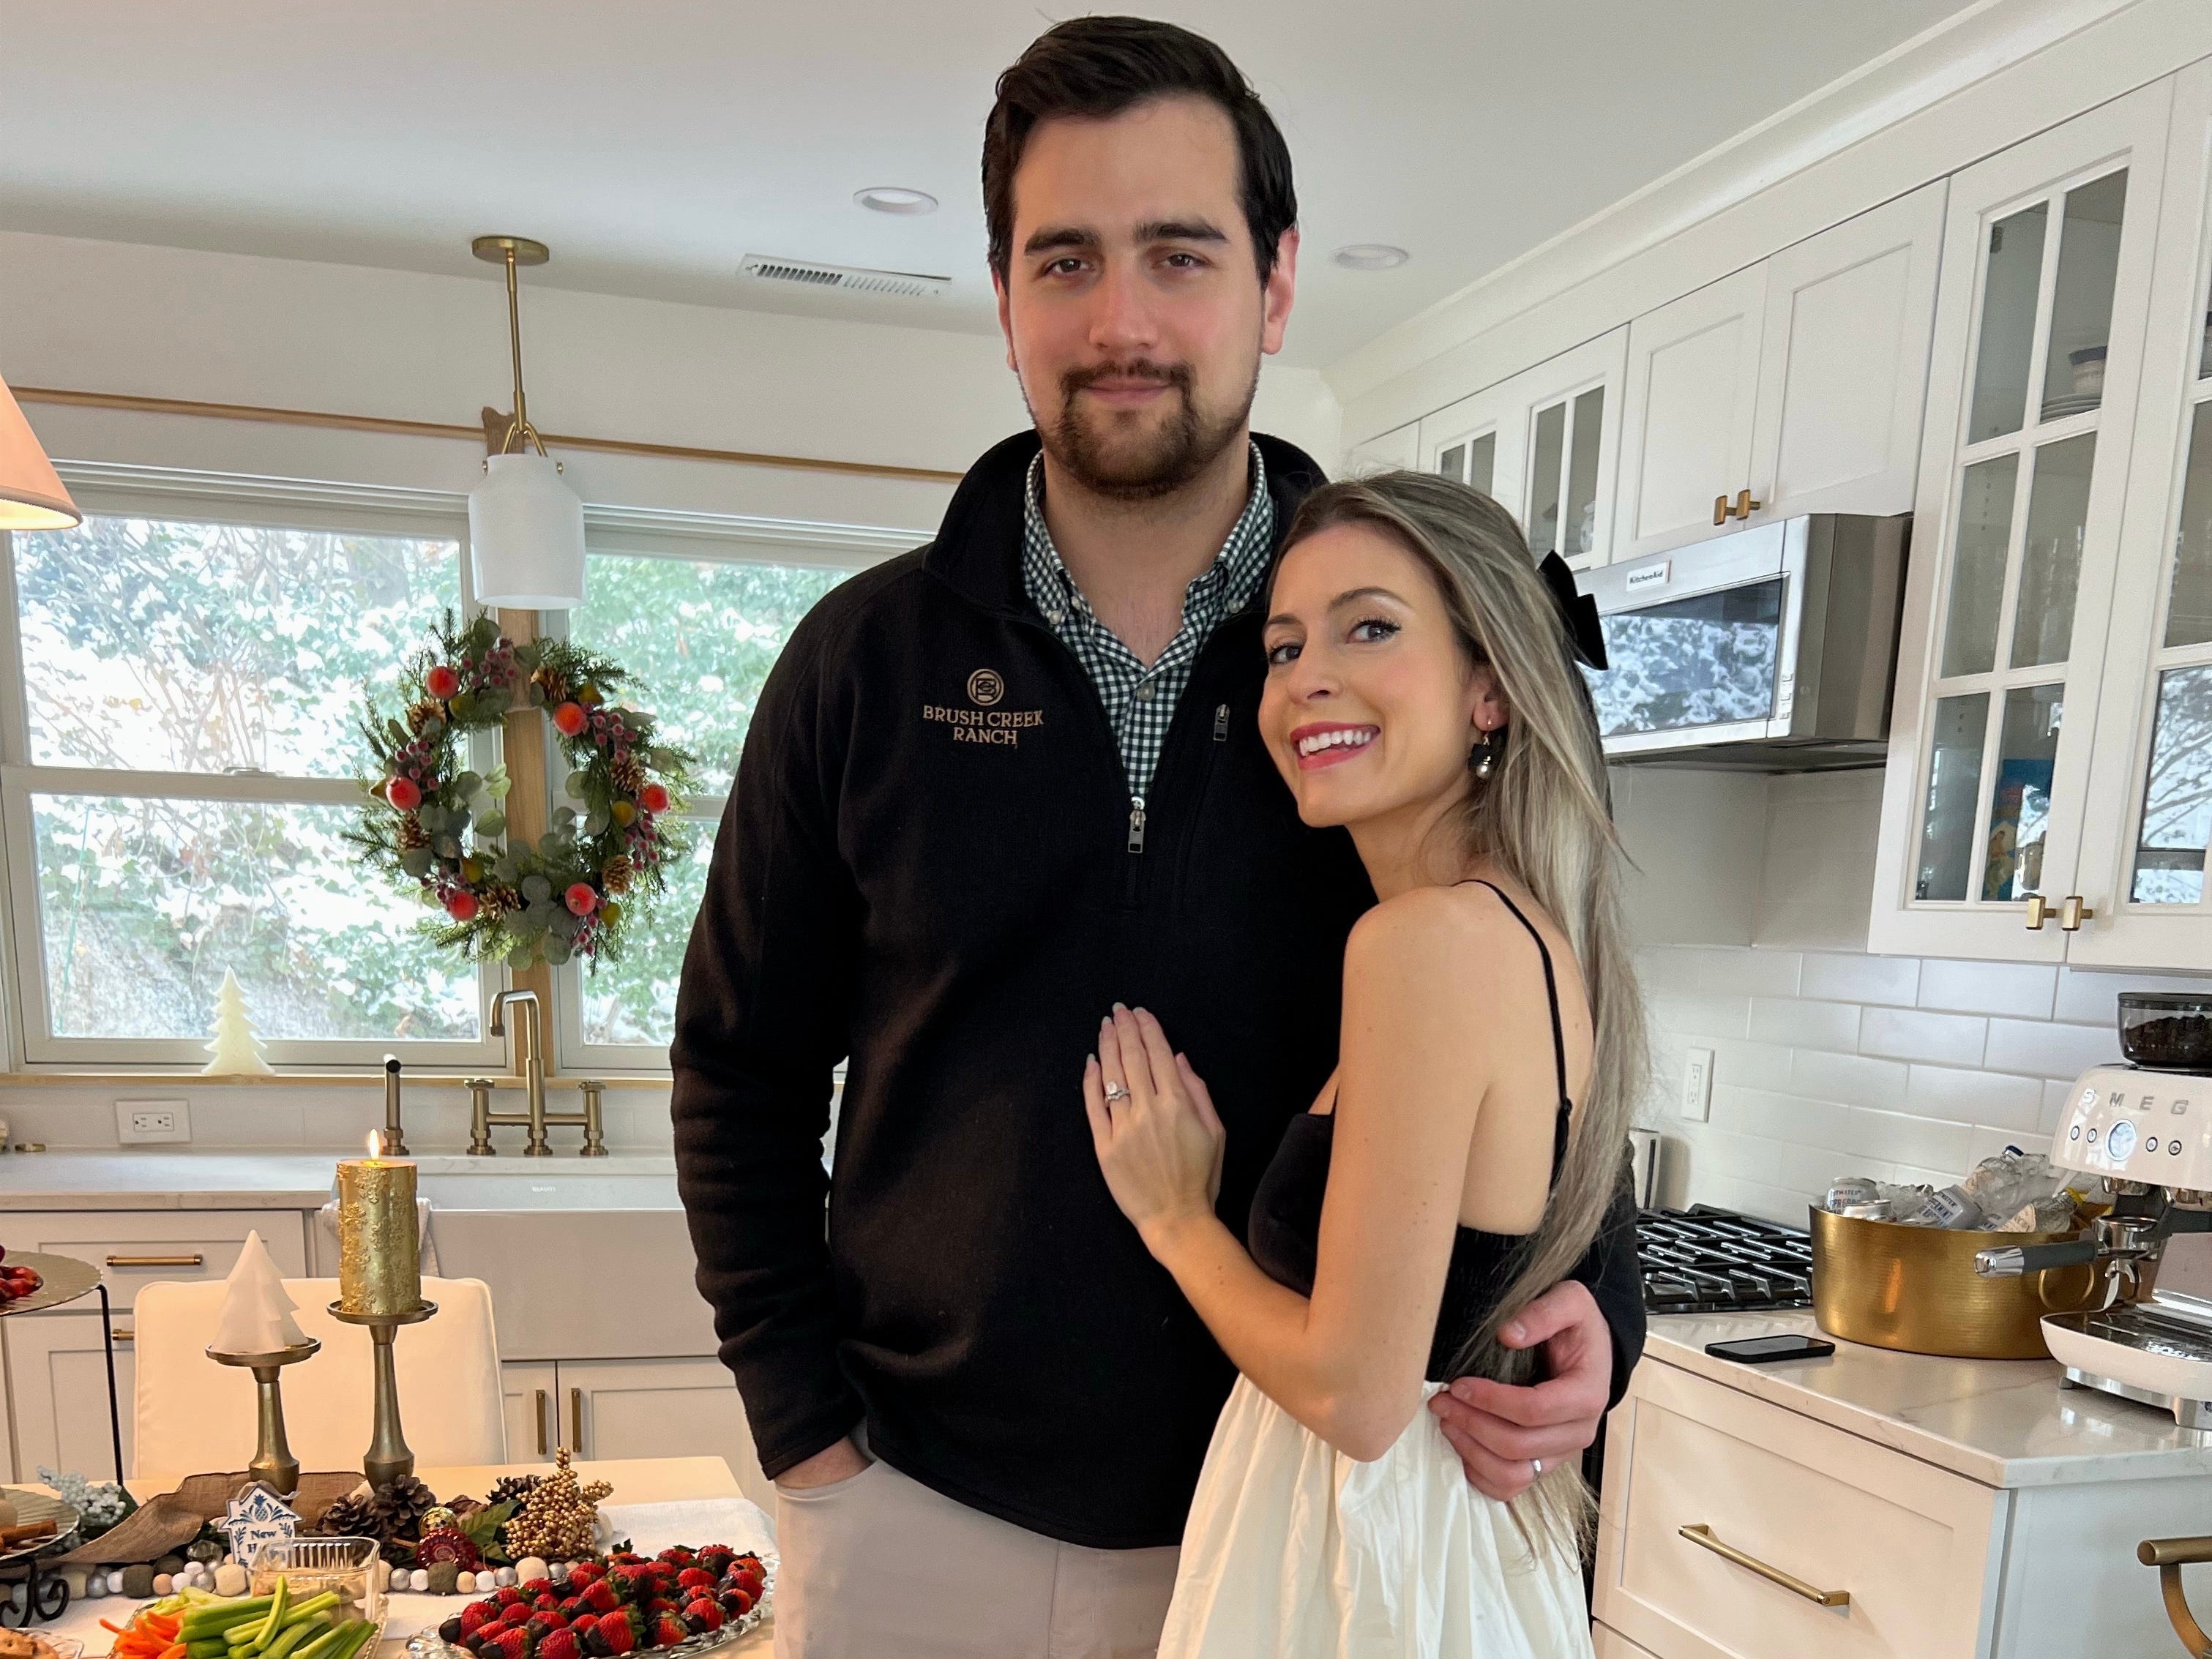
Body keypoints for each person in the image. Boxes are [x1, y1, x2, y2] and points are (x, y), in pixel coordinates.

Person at [668, 18, 1645, 1655]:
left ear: (1270, 287)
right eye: (1065, 261)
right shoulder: (862, 660)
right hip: (915, 1512)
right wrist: (803, 1430)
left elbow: (1552, 1006)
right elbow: (736, 1070)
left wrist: (1596, 1311)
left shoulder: (1401, 667)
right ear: (1001, 301)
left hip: (1302, 1536)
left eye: (1176, 256)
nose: (1119, 322)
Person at [1086, 471, 1641, 1657]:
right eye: (1284, 647)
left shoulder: (1422, 944)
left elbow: (1356, 1393)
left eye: (1370, 628)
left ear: (1489, 688)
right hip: (1446, 1552)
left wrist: (1175, 1216)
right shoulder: (1528, 929)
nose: (1305, 680)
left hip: (1369, 1561)